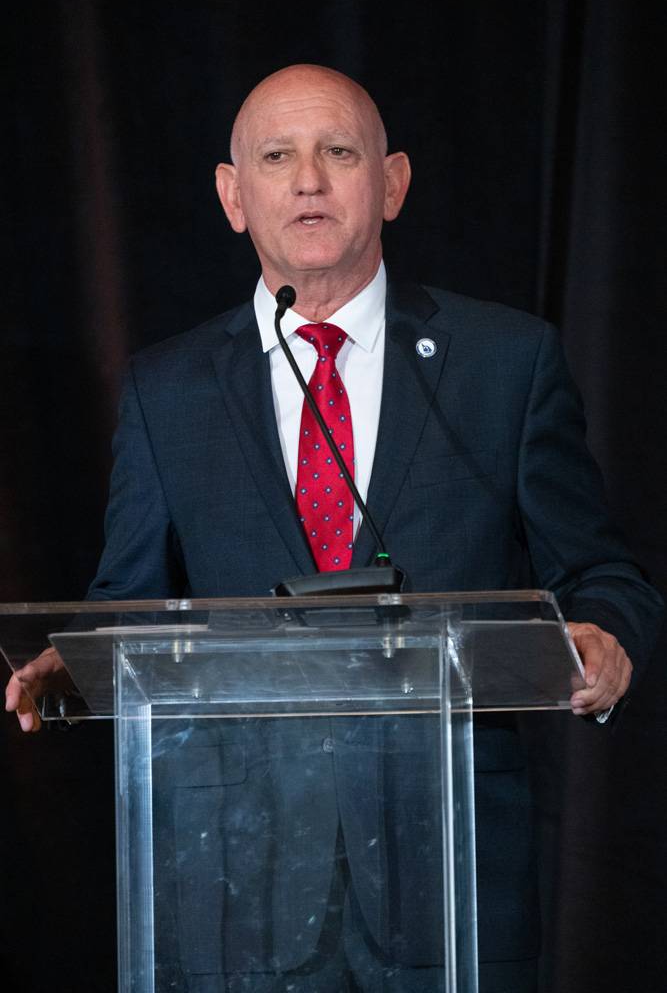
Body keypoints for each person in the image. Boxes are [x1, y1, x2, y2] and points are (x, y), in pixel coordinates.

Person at [6, 64, 663, 992]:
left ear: (390, 183)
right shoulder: (168, 389)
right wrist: (76, 662)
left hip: (449, 875)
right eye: (276, 157)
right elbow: (132, 602)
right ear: (234, 197)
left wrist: (603, 635)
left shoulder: (504, 362)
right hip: (237, 883)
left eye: (339, 152)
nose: (308, 180)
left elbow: (600, 572)